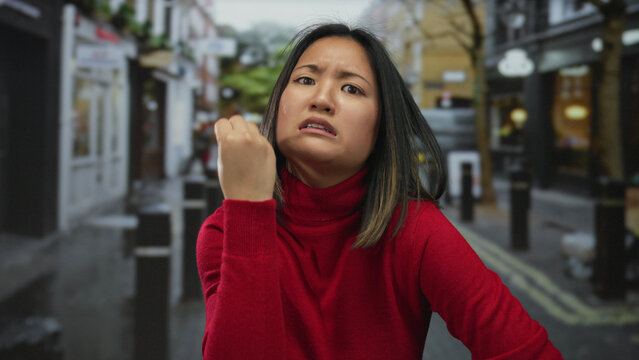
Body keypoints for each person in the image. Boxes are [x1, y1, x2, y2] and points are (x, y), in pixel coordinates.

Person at [197, 24, 563, 359]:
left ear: (381, 128)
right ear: (279, 103)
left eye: (351, 88)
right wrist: (246, 208)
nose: (322, 98)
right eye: (306, 80)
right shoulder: (225, 231)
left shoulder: (414, 230)